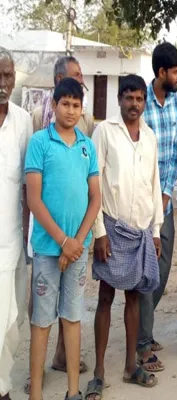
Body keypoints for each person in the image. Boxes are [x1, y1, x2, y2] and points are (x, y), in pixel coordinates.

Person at [85, 74, 162, 399]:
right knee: (105, 298)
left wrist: (156, 231)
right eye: (129, 98)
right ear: (120, 100)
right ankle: (99, 373)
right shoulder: (104, 132)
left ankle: (130, 366)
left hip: (141, 230)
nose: (134, 104)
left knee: (134, 298)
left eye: (139, 99)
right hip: (111, 229)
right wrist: (99, 231)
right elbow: (95, 181)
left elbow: (154, 184)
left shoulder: (149, 136)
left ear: (145, 102)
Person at [25, 77, 101, 400]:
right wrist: (62, 241)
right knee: (41, 322)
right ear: (54, 106)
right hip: (46, 249)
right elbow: (34, 199)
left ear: (82, 109)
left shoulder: (87, 146)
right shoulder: (40, 143)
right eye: (65, 104)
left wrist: (78, 242)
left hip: (78, 252)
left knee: (72, 318)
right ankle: (37, 393)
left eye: (76, 105)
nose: (70, 110)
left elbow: (95, 198)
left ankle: (73, 391)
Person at [138, 42, 177, 372]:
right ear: (161, 73)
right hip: (142, 202)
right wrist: (152, 197)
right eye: (176, 72)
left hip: (165, 201)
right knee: (145, 271)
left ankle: (142, 327)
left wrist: (167, 194)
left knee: (162, 270)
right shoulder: (141, 104)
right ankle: (141, 341)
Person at [0, 47, 30, 400]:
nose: (3, 83)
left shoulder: (23, 121)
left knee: (13, 321)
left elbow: (29, 184)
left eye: (8, 75)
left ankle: (3, 380)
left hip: (14, 240)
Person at [31, 56, 94, 135]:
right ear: (59, 79)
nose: (81, 81)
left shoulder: (86, 119)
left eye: (81, 76)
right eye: (77, 75)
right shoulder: (39, 116)